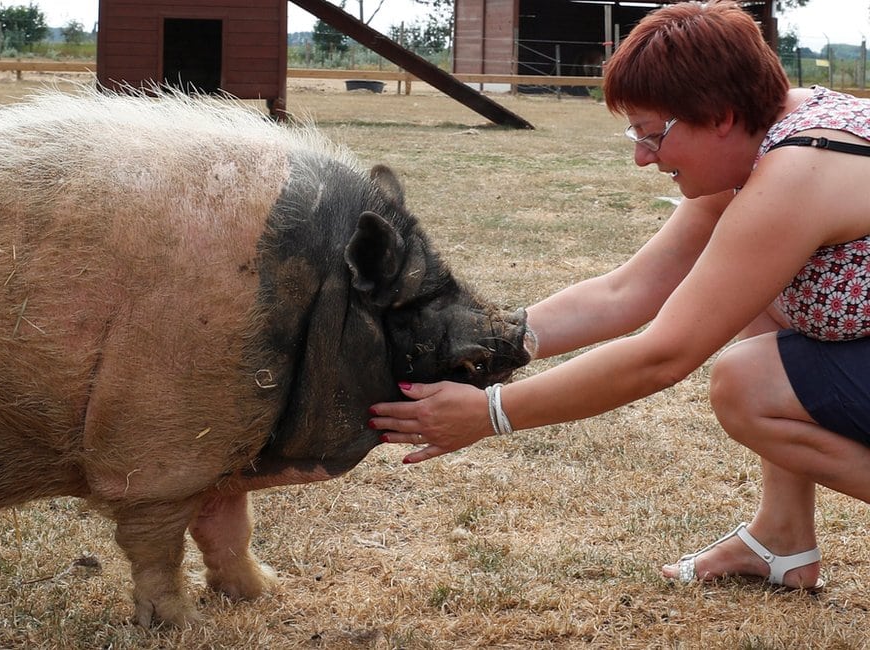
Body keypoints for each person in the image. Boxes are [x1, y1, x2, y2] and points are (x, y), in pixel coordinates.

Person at [368, 0, 870, 592]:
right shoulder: (780, 129)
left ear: (723, 116)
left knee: (746, 383)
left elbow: (663, 355)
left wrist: (490, 413)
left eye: (655, 135)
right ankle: (782, 537)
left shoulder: (796, 176)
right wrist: (498, 339)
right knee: (748, 296)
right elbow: (629, 290)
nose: (641, 157)